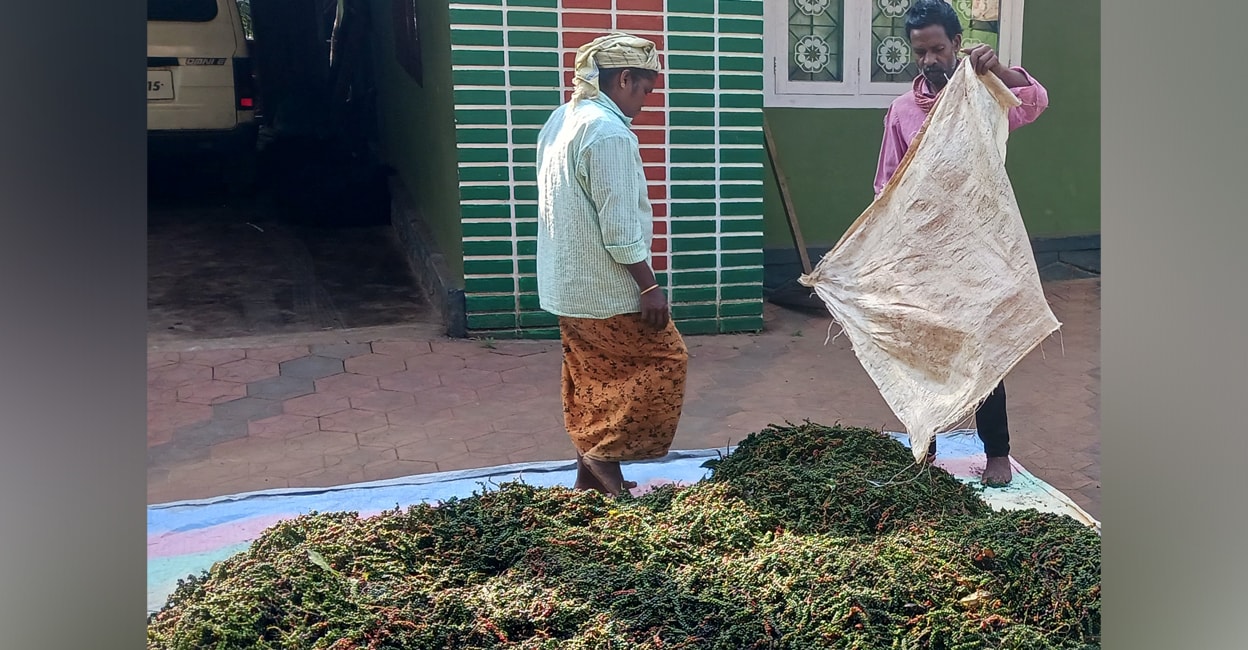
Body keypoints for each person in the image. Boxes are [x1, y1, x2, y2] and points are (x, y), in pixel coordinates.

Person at [873, 0, 1049, 487]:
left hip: (978, 246)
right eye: (920, 51)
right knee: (922, 347)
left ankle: (997, 452)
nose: (929, 60)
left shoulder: (983, 94)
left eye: (937, 49)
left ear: (955, 44)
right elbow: (887, 183)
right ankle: (923, 447)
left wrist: (1002, 70)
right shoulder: (902, 110)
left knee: (984, 347)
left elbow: (1034, 101)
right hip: (924, 249)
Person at [535, 33, 689, 497]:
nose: (645, 101)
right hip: (606, 289)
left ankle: (590, 479)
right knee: (665, 360)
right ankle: (603, 459)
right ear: (624, 78)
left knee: (595, 375)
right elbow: (619, 226)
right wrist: (648, 287)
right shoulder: (608, 133)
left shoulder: (564, 118)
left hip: (567, 285)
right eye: (644, 89)